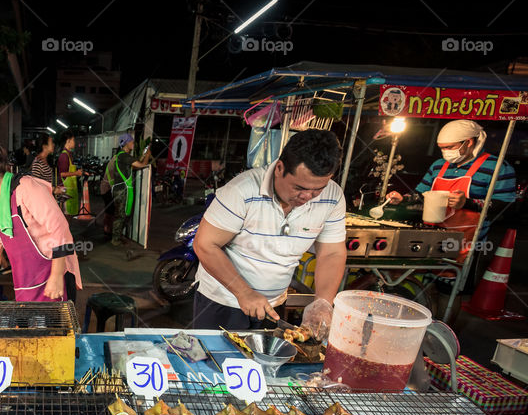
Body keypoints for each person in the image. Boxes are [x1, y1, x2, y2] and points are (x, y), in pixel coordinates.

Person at [192, 130, 348, 339]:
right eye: (299, 187)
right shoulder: (242, 190)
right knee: (215, 365)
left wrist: (323, 302)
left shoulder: (333, 196)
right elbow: (205, 245)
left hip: (274, 305)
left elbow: (332, 253)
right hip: (222, 303)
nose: (307, 197)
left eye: (318, 189)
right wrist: (243, 292)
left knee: (266, 366)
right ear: (280, 168)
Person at [0, 142, 82, 302]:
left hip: (54, 277)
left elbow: (60, 228)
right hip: (26, 283)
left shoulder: (27, 188)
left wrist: (56, 276)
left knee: (57, 326)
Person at [386, 119, 516, 259]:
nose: (445, 152)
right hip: (431, 240)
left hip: (468, 245)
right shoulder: (438, 165)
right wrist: (404, 199)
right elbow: (421, 195)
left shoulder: (498, 167)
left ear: (468, 142)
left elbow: (505, 206)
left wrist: (467, 203)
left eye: (449, 147)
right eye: (442, 148)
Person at [108, 133, 152, 245]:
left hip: (120, 189)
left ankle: (118, 236)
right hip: (122, 190)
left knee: (122, 214)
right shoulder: (123, 156)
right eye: (131, 141)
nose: (133, 143)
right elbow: (142, 165)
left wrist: (142, 156)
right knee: (121, 215)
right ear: (126, 143)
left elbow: (135, 162)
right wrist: (147, 155)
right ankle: (115, 239)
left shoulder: (122, 156)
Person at [56, 132, 84, 216]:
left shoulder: (69, 154)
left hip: (70, 189)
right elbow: (62, 174)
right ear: (68, 141)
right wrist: (76, 173)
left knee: (70, 214)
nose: (74, 142)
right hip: (65, 189)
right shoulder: (64, 155)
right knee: (66, 215)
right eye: (73, 140)